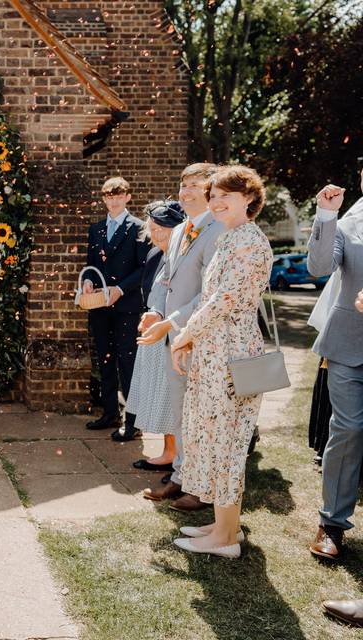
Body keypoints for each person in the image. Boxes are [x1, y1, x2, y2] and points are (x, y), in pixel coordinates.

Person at [168, 165, 273, 558]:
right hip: (216, 349)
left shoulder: (248, 240)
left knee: (226, 442)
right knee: (214, 438)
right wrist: (193, 339)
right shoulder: (231, 237)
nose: (215, 202)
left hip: (232, 353)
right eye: (212, 196)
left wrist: (185, 333)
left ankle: (226, 539)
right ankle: (223, 524)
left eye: (224, 195)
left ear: (248, 198)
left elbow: (223, 300)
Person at [140, 162, 220, 512]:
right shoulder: (182, 229)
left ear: (212, 191)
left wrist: (170, 321)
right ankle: (181, 476)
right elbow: (165, 279)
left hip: (203, 339)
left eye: (194, 185)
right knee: (179, 414)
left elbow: (211, 293)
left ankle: (203, 488)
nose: (185, 192)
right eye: (183, 185)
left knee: (202, 417)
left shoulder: (219, 231)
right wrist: (156, 312)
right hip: (175, 339)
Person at [307, 182, 363, 562]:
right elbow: (319, 267)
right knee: (348, 429)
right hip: (349, 344)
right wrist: (326, 215)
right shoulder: (348, 222)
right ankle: (332, 524)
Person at [81, 177, 148, 434]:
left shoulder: (139, 228)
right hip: (99, 305)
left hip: (127, 306)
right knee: (105, 359)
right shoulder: (96, 229)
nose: (114, 200)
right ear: (104, 199)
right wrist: (88, 280)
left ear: (128, 197)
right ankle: (109, 413)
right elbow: (91, 264)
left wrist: (120, 289)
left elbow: (144, 268)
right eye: (109, 196)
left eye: (118, 195)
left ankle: (133, 423)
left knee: (127, 362)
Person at [126, 201, 185, 462]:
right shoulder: (153, 255)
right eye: (153, 228)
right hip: (153, 333)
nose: (157, 233)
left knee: (168, 396)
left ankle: (173, 453)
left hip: (172, 335)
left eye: (163, 228)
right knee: (159, 395)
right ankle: (167, 451)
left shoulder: (181, 257)